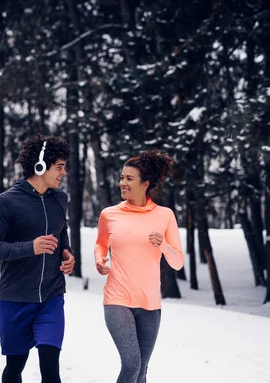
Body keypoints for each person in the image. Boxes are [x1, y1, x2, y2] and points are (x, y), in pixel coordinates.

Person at [0, 134, 75, 383]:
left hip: (52, 297)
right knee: (14, 368)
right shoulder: (5, 202)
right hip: (16, 299)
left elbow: (61, 231)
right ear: (40, 166)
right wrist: (30, 247)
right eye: (59, 167)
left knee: (50, 368)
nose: (63, 173)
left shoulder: (60, 200)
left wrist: (67, 253)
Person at [94, 149, 184, 383]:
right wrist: (99, 259)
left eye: (129, 179)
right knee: (132, 363)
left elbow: (177, 262)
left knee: (142, 370)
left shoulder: (165, 215)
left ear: (145, 183)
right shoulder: (109, 215)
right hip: (117, 299)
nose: (122, 183)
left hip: (150, 303)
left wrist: (163, 244)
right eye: (122, 177)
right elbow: (101, 245)